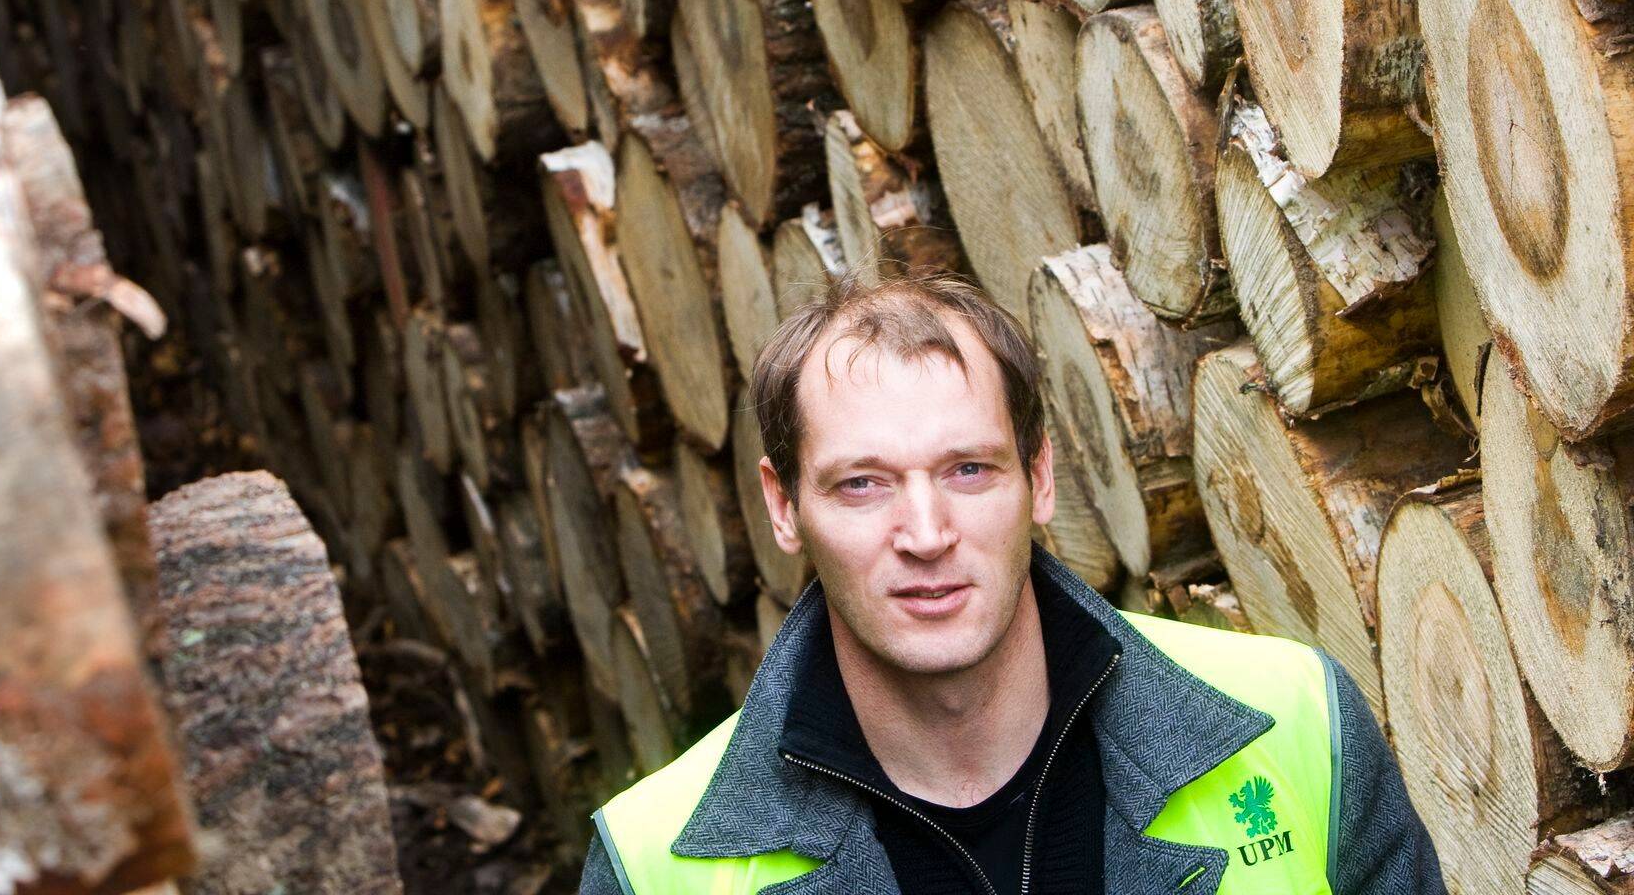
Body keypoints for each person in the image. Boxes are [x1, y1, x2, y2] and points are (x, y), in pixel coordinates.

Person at [578, 269, 1444, 894]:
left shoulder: (1296, 720)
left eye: (968, 471)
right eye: (862, 484)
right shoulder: (658, 861)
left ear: (1041, 477)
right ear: (783, 506)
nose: (925, 535)